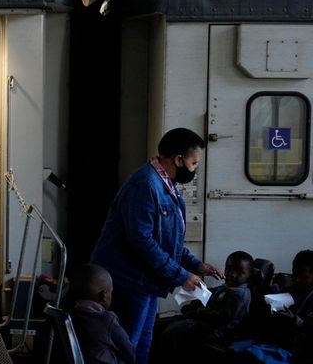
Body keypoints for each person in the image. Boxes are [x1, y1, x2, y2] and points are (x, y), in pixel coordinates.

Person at [90, 127, 224, 364]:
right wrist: (181, 275)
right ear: (179, 159)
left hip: (147, 281)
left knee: (143, 343)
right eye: (194, 163)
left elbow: (167, 241)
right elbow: (142, 241)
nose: (195, 169)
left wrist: (195, 265)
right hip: (129, 280)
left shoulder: (166, 185)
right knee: (127, 345)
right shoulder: (145, 184)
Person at [160, 251, 254, 363]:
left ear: (249, 274)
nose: (232, 274)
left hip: (218, 332)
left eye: (239, 272)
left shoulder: (240, 295)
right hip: (206, 321)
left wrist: (198, 312)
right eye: (229, 269)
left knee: (171, 332)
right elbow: (211, 298)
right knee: (161, 323)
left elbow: (222, 318)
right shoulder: (228, 287)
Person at [69, 263, 135, 364]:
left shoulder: (70, 313)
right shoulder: (106, 320)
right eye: (111, 291)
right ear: (103, 295)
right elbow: (129, 353)